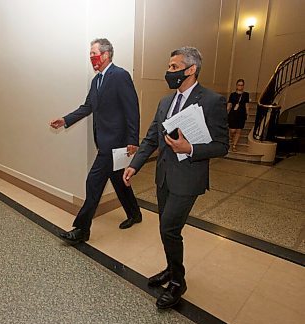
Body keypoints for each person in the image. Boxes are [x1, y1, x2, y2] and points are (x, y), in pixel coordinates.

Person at [123, 47, 229, 309]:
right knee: (166, 229)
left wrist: (190, 149)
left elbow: (222, 145)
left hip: (188, 178)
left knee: (169, 228)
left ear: (190, 70)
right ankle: (171, 269)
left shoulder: (212, 101)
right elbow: (150, 139)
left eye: (174, 67)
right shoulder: (164, 102)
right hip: (164, 177)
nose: (168, 72)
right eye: (169, 67)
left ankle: (178, 282)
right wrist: (134, 166)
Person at [50, 38, 142, 244]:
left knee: (93, 182)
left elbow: (131, 108)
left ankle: (82, 230)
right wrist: (65, 120)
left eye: (94, 53)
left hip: (116, 142)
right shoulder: (96, 81)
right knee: (119, 180)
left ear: (106, 54)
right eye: (90, 54)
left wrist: (133, 139)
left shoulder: (120, 75)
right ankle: (135, 214)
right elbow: (87, 107)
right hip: (104, 141)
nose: (91, 57)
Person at [227, 79, 250, 151]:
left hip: (241, 114)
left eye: (242, 85)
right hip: (233, 114)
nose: (240, 86)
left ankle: (234, 145)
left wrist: (247, 113)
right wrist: (226, 112)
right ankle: (231, 137)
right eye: (239, 85)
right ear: (236, 85)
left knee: (239, 130)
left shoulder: (246, 94)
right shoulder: (232, 94)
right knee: (232, 130)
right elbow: (229, 104)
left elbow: (247, 105)